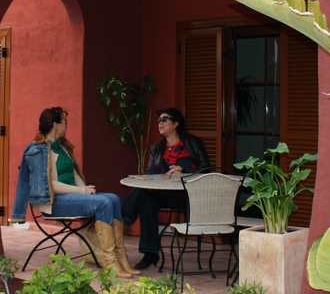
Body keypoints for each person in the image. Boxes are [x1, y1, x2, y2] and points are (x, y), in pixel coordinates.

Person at [11, 106, 137, 278]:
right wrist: (81, 191)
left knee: (113, 198)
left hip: (71, 197)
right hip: (53, 202)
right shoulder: (38, 150)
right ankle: (110, 261)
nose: (66, 126)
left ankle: (121, 257)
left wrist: (85, 191)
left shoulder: (61, 147)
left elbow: (74, 174)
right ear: (55, 125)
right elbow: (49, 185)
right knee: (103, 203)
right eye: (65, 123)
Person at [120, 107, 211, 270]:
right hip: (164, 194)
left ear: (176, 124)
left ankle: (122, 215)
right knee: (148, 200)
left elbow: (206, 169)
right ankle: (150, 254)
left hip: (186, 194)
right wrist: (164, 174)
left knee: (148, 195)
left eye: (164, 119)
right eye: (158, 120)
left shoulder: (193, 143)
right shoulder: (157, 148)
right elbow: (150, 173)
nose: (160, 123)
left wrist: (184, 171)